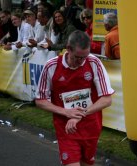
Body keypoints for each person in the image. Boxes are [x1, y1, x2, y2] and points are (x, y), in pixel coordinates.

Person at [35, 30, 114, 166]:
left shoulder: (94, 62)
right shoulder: (52, 66)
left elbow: (107, 99)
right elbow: (40, 100)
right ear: (68, 49)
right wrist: (66, 112)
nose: (81, 61)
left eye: (85, 56)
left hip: (90, 127)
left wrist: (79, 114)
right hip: (66, 128)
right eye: (78, 57)